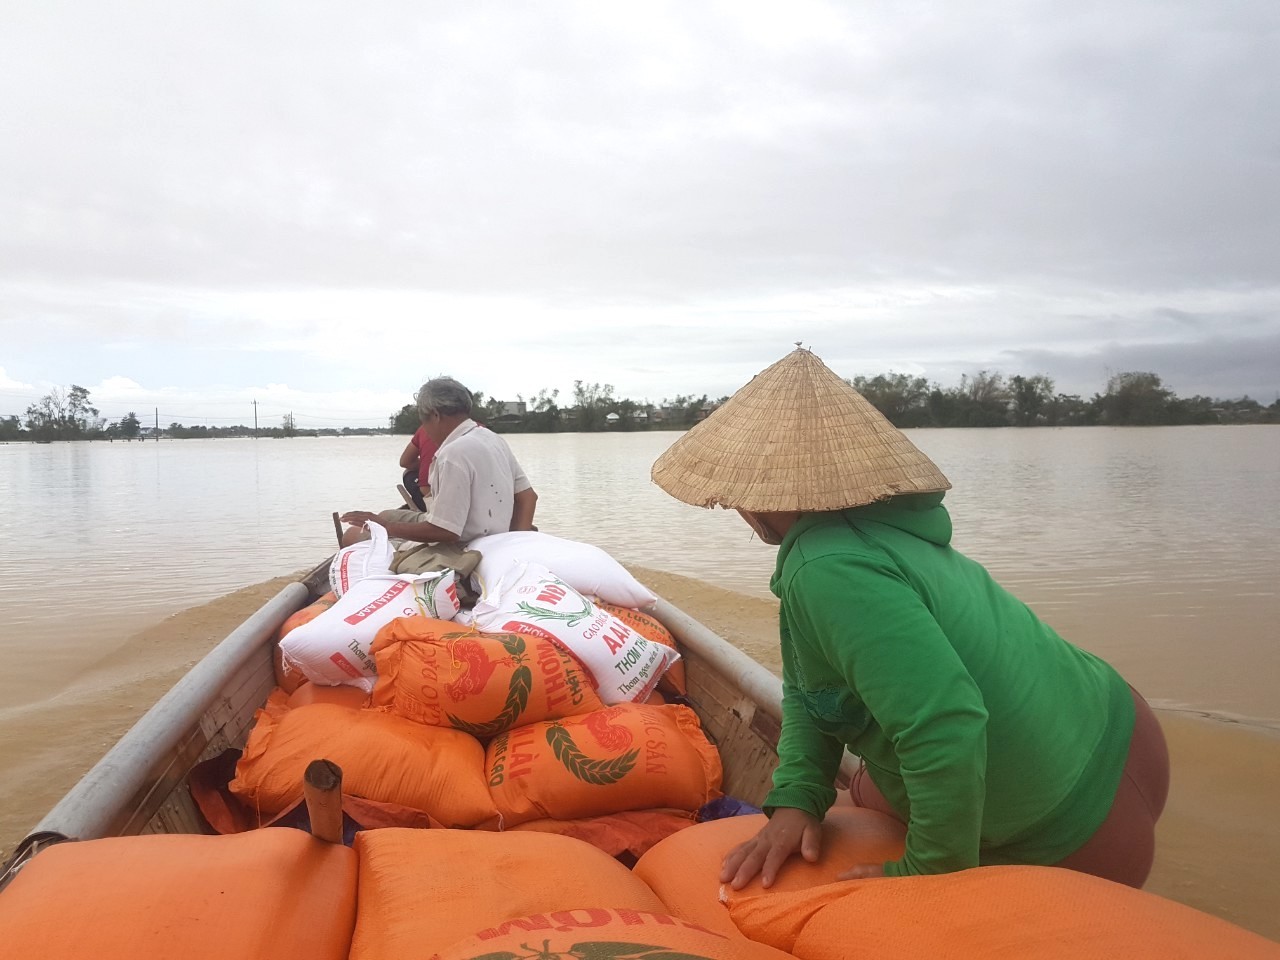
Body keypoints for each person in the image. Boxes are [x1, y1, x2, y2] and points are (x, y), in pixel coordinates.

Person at [650, 347, 1170, 890]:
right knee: (879, 775)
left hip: (1065, 817)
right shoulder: (887, 526)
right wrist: (799, 796)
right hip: (1113, 722)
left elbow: (946, 722)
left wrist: (930, 873)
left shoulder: (824, 567)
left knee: (870, 790)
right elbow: (812, 694)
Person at [342, 376, 537, 547]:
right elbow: (528, 497)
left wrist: (387, 528)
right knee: (384, 515)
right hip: (485, 533)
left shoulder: (453, 454)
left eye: (423, 421)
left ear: (435, 415)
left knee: (352, 536)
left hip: (462, 546)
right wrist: (513, 542)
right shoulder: (492, 438)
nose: (424, 429)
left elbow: (446, 532)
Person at [399, 424, 435, 512]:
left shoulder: (426, 428)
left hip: (432, 501)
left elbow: (405, 462)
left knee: (408, 473)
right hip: (465, 499)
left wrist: (427, 467)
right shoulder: (474, 429)